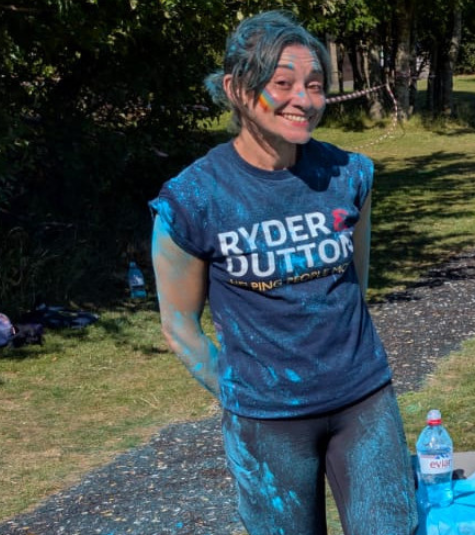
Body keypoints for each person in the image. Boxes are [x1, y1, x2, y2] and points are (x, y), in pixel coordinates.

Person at [149, 11, 415, 535]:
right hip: (267, 423)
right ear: (235, 88)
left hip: (365, 401)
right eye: (283, 84)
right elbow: (178, 325)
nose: (304, 99)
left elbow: (354, 284)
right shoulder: (193, 200)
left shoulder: (349, 174)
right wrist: (239, 390)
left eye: (314, 85)